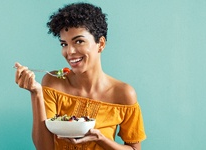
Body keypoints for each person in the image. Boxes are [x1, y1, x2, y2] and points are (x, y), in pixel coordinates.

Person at [15, 2, 146, 150]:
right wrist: (36, 93)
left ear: (101, 44)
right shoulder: (53, 82)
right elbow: (45, 148)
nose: (69, 52)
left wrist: (100, 139)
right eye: (64, 44)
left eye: (79, 41)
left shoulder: (123, 93)